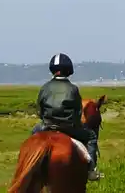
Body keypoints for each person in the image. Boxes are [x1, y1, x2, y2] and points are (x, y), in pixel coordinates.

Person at [32, 53, 103, 181]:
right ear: (69, 71)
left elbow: (39, 110)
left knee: (33, 137)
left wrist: (46, 119)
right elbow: (78, 111)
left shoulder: (45, 87)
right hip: (68, 127)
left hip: (47, 125)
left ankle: (30, 166)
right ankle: (91, 170)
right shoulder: (73, 89)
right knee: (91, 136)